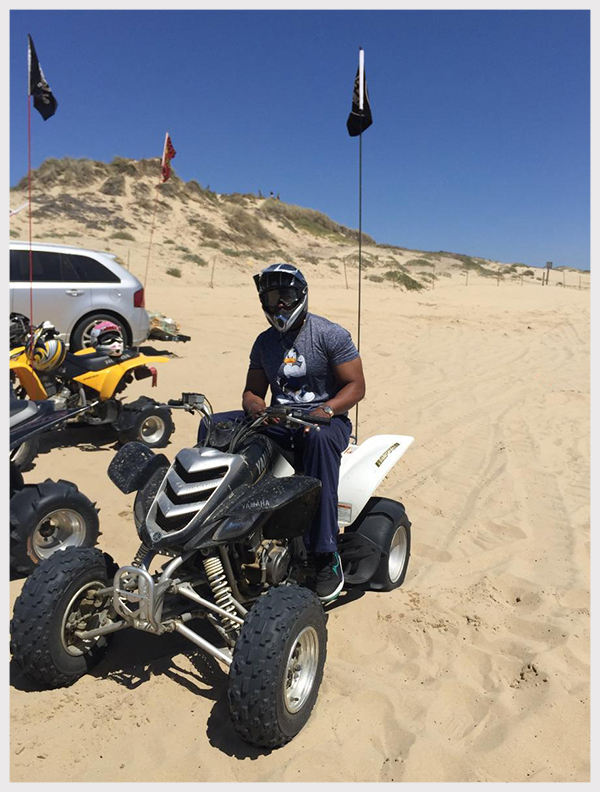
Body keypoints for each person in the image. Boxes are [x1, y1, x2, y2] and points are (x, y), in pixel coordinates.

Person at [203, 263, 365, 602]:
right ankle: (210, 529)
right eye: (272, 297)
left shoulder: (330, 334)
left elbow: (356, 386)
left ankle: (325, 553)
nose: (279, 304)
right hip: (279, 419)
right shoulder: (264, 342)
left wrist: (327, 410)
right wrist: (255, 407)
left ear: (300, 296)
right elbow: (252, 391)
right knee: (214, 426)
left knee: (317, 440)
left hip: (326, 421)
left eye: (286, 296)